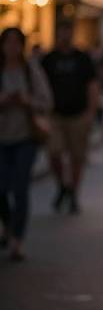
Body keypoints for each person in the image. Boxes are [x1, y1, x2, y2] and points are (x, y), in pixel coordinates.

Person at [0, 28, 53, 261]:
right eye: (7, 43)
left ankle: (17, 240)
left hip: (25, 137)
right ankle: (8, 226)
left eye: (16, 43)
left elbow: (46, 101)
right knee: (1, 189)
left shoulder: (31, 71)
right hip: (2, 138)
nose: (12, 47)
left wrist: (26, 101)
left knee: (20, 188)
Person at [42, 21, 99, 214]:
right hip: (55, 115)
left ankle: (73, 191)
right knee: (54, 153)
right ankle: (63, 186)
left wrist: (91, 112)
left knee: (77, 156)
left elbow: (92, 85)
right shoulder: (49, 59)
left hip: (78, 114)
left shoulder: (82, 58)